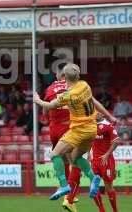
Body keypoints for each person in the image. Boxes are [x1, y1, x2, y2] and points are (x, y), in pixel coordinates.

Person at [33, 63, 116, 202]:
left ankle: (64, 186)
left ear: (64, 77)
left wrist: (37, 100)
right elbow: (93, 102)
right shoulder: (85, 85)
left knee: (54, 154)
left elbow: (48, 106)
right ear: (78, 75)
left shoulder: (68, 95)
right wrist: (108, 116)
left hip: (79, 130)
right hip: (92, 130)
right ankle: (93, 177)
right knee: (75, 158)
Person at [42, 63, 81, 211]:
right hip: (70, 126)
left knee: (61, 157)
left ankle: (64, 187)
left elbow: (46, 107)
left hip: (54, 129)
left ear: (58, 76)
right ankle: (70, 196)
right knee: (76, 161)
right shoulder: (75, 86)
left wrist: (46, 116)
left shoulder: (51, 88)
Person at [91, 114, 120, 212]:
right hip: (94, 160)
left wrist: (107, 154)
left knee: (108, 187)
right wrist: (88, 155)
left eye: (98, 112)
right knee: (93, 187)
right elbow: (88, 141)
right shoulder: (91, 125)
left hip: (106, 160)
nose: (95, 114)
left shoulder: (108, 126)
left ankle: (115, 210)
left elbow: (116, 141)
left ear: (102, 114)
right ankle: (101, 209)